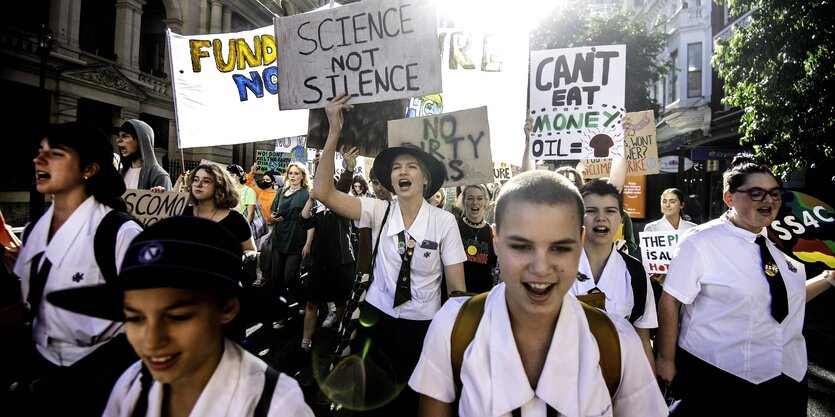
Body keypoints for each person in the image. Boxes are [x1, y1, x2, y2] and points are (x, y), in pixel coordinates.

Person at [409, 170, 667, 416]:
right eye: (521, 246)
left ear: (579, 242)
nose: (541, 268)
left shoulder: (617, 341)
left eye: (559, 248)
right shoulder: (455, 327)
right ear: (496, 240)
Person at [45, 216, 315, 417]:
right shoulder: (133, 385)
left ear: (227, 310)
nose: (151, 341)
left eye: (176, 317)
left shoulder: (274, 405)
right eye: (135, 318)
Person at [311, 93, 466, 415]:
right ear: (391, 179)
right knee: (370, 402)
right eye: (397, 167)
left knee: (410, 404)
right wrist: (333, 130)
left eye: (411, 166)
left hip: (422, 329)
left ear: (424, 178)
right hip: (376, 321)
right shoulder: (377, 211)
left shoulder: (444, 222)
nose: (402, 171)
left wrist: (456, 342)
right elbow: (323, 192)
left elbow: (456, 290)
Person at [656, 155, 835, 416]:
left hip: (787, 375)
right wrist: (666, 359)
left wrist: (829, 278)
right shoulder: (700, 241)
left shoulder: (791, 243)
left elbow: (785, 299)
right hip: (719, 375)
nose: (768, 201)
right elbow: (670, 300)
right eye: (755, 193)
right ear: (730, 198)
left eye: (774, 193)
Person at [11, 122, 144, 415]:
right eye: (40, 152)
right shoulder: (34, 230)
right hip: (40, 374)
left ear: (90, 169)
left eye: (56, 154)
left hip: (102, 383)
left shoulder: (121, 233)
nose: (39, 161)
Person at [571, 179, 657, 372]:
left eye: (610, 211)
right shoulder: (554, 268)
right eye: (591, 210)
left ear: (621, 219)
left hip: (619, 380)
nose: (601, 218)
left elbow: (643, 341)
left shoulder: (635, 273)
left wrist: (648, 395)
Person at [298, 161, 356, 352]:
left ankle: (342, 337)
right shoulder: (317, 211)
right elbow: (303, 221)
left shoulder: (340, 206)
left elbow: (345, 184)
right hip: (319, 263)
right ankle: (305, 342)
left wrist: (349, 168)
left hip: (340, 263)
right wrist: (310, 200)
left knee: (341, 302)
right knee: (312, 303)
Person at [269, 161, 314, 326]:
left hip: (296, 241)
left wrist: (308, 243)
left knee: (290, 277)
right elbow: (271, 216)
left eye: (297, 173)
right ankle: (281, 314)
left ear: (303, 176)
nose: (293, 176)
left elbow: (312, 222)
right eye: (291, 173)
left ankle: (302, 300)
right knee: (276, 279)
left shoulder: (307, 194)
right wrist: (274, 217)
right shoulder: (280, 192)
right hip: (279, 239)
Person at [183, 163, 256, 256]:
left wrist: (243, 257)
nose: (198, 184)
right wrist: (159, 196)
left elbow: (250, 249)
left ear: (220, 186)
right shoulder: (183, 213)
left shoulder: (236, 220)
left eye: (206, 181)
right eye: (195, 180)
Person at [457, 184, 498, 293]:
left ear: (486, 201)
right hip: (458, 295)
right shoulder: (454, 228)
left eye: (479, 198)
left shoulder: (492, 232)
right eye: (470, 198)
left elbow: (495, 266)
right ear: (464, 201)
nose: (475, 202)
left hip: (482, 297)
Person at [116, 119, 172, 192]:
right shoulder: (119, 174)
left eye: (125, 136)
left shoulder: (159, 176)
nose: (118, 140)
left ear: (141, 140)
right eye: (119, 136)